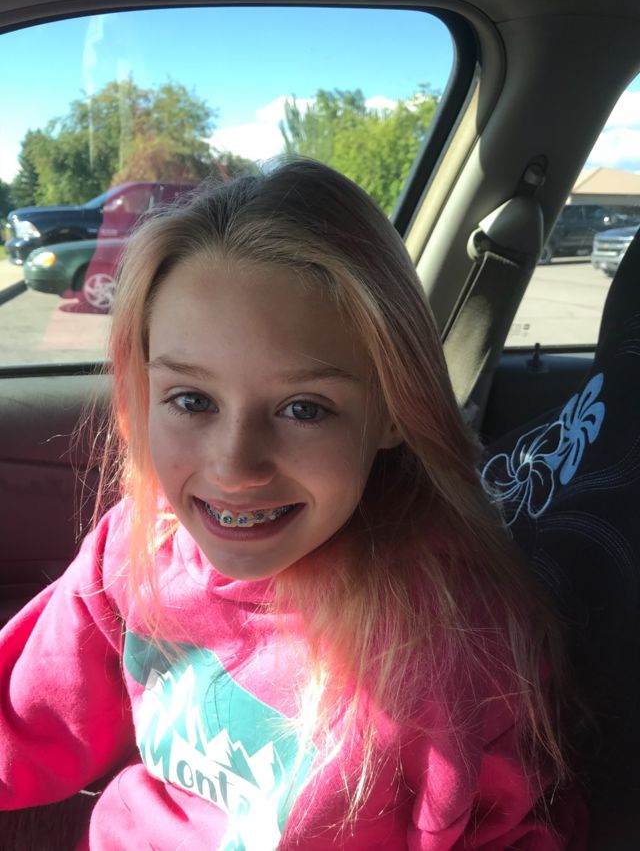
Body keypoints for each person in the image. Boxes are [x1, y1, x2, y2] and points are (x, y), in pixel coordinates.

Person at [0, 160, 586, 849]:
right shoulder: (138, 544)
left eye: (305, 408)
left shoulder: (450, 644)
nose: (234, 466)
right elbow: (24, 725)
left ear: (393, 412)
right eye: (192, 400)